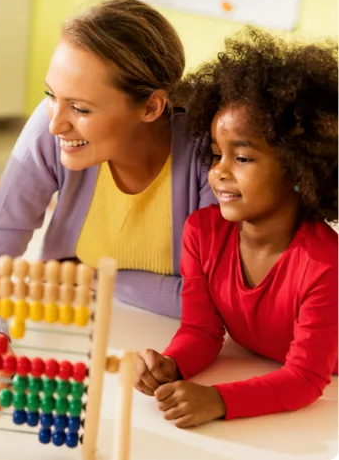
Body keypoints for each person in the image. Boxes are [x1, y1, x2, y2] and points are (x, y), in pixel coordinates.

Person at [0, 0, 215, 411]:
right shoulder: (51, 127)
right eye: (51, 94)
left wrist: (90, 278)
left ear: (152, 106)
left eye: (81, 108)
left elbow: (216, 300)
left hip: (171, 356)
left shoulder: (207, 155)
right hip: (77, 336)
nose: (56, 123)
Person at [134, 28, 337, 428]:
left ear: (298, 168)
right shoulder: (203, 233)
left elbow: (307, 378)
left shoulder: (324, 263)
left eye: (241, 158)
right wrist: (172, 364)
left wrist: (217, 400)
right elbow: (201, 330)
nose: (219, 171)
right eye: (215, 154)